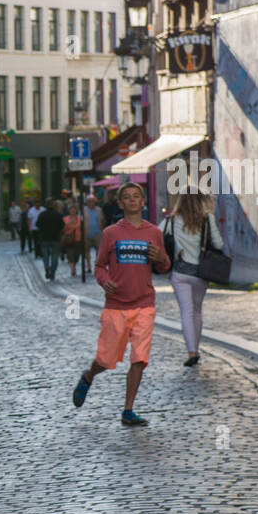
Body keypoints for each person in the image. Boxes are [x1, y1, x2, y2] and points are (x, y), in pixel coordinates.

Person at [71, 182, 170, 426]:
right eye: (127, 197)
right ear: (121, 203)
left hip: (144, 303)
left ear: (143, 201)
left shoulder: (154, 232)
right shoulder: (111, 234)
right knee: (106, 360)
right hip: (116, 305)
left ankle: (128, 410)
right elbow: (99, 266)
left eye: (137, 196)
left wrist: (162, 258)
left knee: (139, 357)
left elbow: (164, 266)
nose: (132, 200)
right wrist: (104, 282)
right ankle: (88, 376)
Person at [165, 192, 225, 366]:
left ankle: (192, 351)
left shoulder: (172, 220)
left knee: (186, 311)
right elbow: (219, 244)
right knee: (197, 311)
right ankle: (196, 348)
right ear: (201, 201)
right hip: (201, 273)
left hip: (179, 272)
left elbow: (158, 237)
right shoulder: (208, 219)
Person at [35, 199, 64, 281]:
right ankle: (52, 273)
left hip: (44, 238)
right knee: (55, 257)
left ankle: (47, 266)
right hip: (55, 238)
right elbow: (62, 226)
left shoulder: (42, 214)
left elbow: (37, 225)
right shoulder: (57, 215)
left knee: (45, 255)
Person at [62, 201, 83, 277]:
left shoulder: (79, 218)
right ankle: (72, 269)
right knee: (70, 254)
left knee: (77, 255)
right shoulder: (65, 219)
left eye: (74, 209)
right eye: (71, 209)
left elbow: (82, 228)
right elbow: (63, 229)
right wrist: (68, 225)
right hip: (69, 240)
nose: (73, 211)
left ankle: (74, 265)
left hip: (78, 238)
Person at [84, 195, 103, 268]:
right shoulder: (84, 210)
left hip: (97, 232)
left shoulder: (99, 210)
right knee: (86, 249)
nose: (91, 203)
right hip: (87, 232)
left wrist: (101, 227)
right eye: (89, 201)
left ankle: (97, 263)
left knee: (98, 249)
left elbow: (102, 219)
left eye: (92, 201)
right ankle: (88, 265)